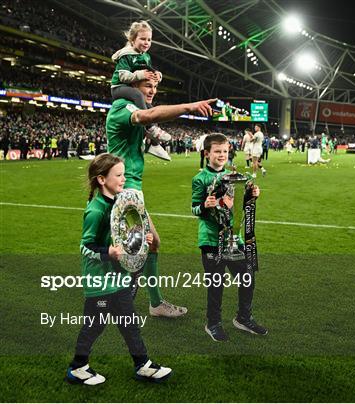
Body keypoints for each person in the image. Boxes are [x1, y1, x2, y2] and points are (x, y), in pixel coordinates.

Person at [106, 75, 215, 317]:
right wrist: (189, 107)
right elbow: (148, 116)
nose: (153, 91)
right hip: (124, 190)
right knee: (134, 249)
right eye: (148, 86)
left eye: (155, 87)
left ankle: (151, 304)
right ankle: (120, 301)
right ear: (133, 87)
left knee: (149, 244)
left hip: (132, 187)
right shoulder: (121, 107)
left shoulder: (133, 114)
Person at [66, 154, 172, 385]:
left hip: (118, 279)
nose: (124, 179)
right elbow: (85, 247)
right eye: (119, 175)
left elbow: (125, 237)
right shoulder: (96, 210)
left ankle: (142, 364)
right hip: (100, 282)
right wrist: (108, 254)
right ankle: (78, 367)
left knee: (130, 324)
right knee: (94, 326)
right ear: (102, 179)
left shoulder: (121, 203)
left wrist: (139, 239)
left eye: (124, 173)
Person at [191, 133, 268, 342]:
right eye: (217, 151)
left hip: (234, 239)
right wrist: (204, 206)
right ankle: (213, 323)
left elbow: (239, 205)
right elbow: (194, 209)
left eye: (225, 151)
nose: (222, 155)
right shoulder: (200, 179)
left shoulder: (234, 177)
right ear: (206, 154)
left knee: (247, 277)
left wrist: (252, 195)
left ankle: (243, 318)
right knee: (216, 284)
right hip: (211, 240)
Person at [110, 20, 171, 161]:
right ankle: (150, 128)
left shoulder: (146, 56)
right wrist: (140, 75)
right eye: (142, 39)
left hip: (130, 86)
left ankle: (154, 144)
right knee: (138, 94)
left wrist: (157, 74)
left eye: (149, 39)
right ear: (132, 40)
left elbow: (150, 70)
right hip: (119, 88)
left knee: (150, 107)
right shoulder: (126, 55)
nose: (146, 42)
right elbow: (122, 76)